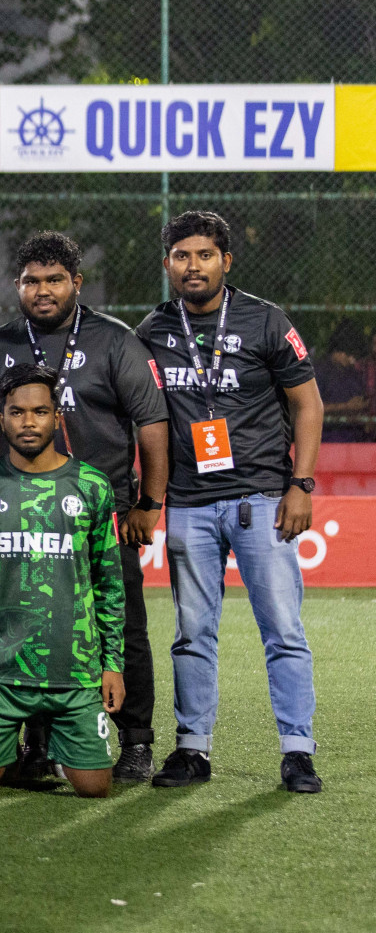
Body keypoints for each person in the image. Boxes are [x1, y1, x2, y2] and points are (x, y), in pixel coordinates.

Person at [0, 232, 170, 782]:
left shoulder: (116, 342)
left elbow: (151, 426)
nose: (43, 290)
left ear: (75, 283)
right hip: (21, 515)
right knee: (32, 623)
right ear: (18, 286)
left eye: (54, 280)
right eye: (32, 281)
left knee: (121, 626)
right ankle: (36, 746)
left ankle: (136, 740)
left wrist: (148, 504)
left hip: (103, 515)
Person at [136, 210, 324, 793]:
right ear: (168, 264)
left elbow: (308, 405)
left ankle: (297, 751)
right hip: (190, 503)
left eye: (205, 255)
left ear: (226, 261)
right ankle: (193, 750)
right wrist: (151, 497)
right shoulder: (153, 331)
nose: (194, 266)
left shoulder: (265, 320)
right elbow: (144, 420)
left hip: (263, 498)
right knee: (192, 633)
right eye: (182, 256)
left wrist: (302, 484)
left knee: (283, 631)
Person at [0, 363, 125, 799]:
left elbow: (109, 584)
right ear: (0, 419)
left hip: (75, 673)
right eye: (17, 412)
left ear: (57, 417)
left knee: (95, 789)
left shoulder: (92, 486)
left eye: (40, 411)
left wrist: (112, 663)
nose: (29, 422)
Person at [314, 319, 368, 443]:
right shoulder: (320, 372)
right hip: (328, 440)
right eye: (350, 355)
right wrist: (346, 407)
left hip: (354, 440)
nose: (352, 360)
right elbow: (310, 407)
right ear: (339, 352)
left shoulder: (353, 373)